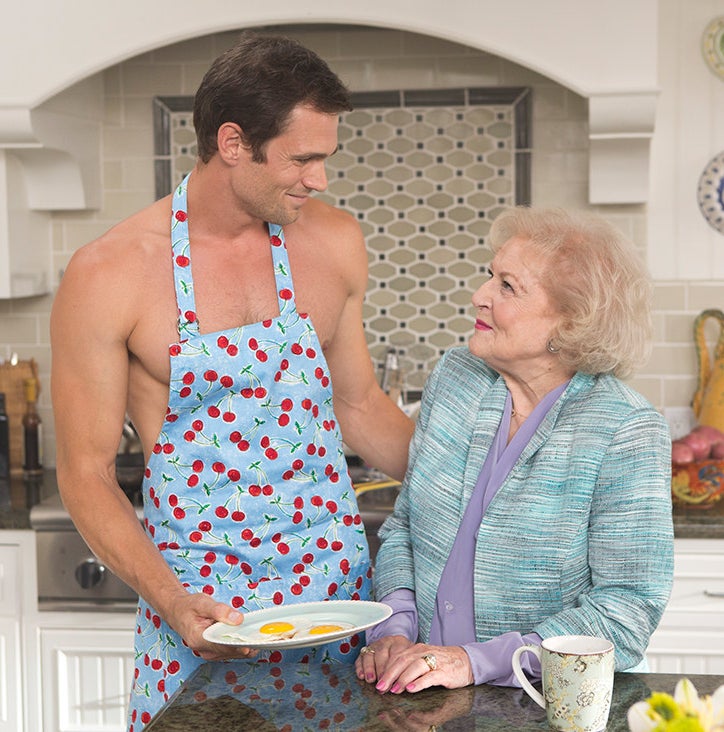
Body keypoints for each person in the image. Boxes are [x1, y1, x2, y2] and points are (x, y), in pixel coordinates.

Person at [50, 33, 414, 729]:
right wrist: (173, 601)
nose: (320, 180)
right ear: (233, 143)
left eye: (325, 159)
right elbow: (85, 473)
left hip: (336, 600)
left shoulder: (334, 241)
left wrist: (486, 489)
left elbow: (360, 404)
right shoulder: (110, 272)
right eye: (303, 159)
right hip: (201, 608)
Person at [355, 206, 674, 695]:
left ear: (572, 321)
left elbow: (627, 609)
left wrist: (473, 662)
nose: (479, 296)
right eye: (489, 276)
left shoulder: (624, 427)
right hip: (419, 695)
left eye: (507, 286)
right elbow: (405, 526)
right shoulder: (457, 376)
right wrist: (393, 628)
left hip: (542, 703)